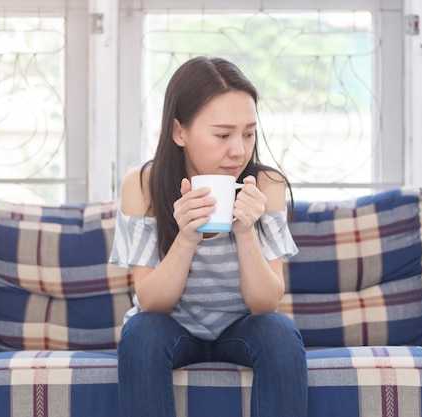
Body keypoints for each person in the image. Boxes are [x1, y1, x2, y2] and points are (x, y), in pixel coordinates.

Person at [109, 56, 308, 417]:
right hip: (170, 327)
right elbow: (151, 301)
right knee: (141, 332)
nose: (239, 150)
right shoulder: (143, 186)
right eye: (222, 134)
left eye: (248, 133)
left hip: (242, 326)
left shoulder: (266, 185)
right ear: (179, 132)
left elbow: (265, 304)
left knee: (279, 331)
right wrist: (186, 238)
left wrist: (246, 232)